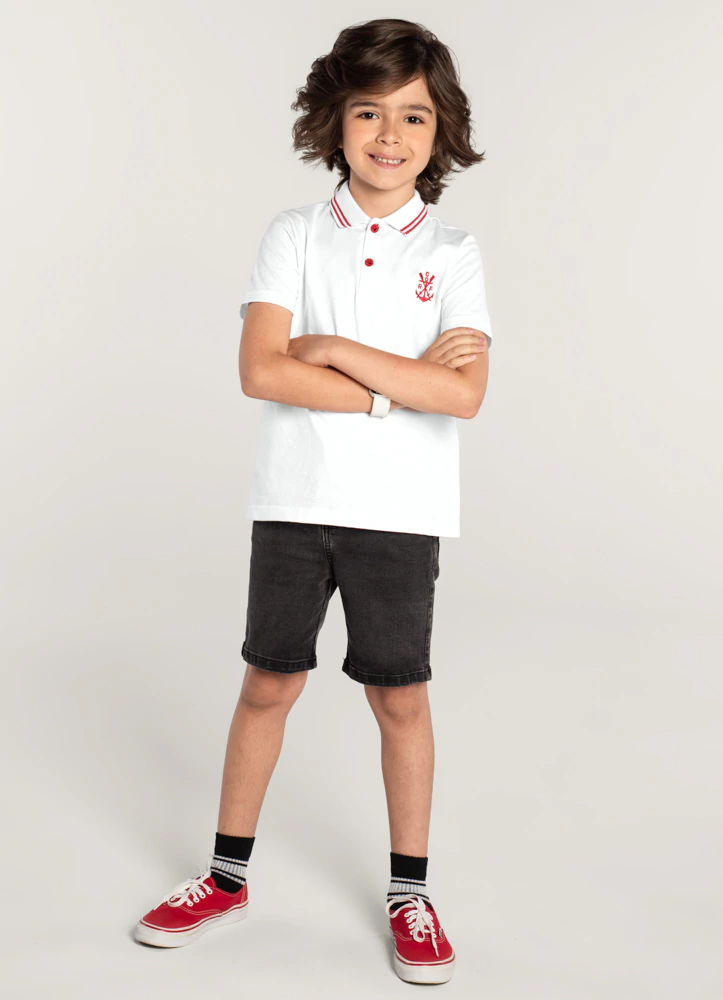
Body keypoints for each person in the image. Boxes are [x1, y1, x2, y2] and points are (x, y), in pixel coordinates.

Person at [134, 17, 493, 985]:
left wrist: (331, 350)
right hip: (294, 502)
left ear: (440, 130)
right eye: (368, 111)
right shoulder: (292, 234)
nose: (389, 134)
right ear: (334, 121)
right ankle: (225, 877)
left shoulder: (453, 252)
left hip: (401, 513)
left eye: (413, 115)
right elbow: (260, 370)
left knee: (399, 696)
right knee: (267, 683)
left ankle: (410, 893)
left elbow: (463, 394)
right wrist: (396, 387)